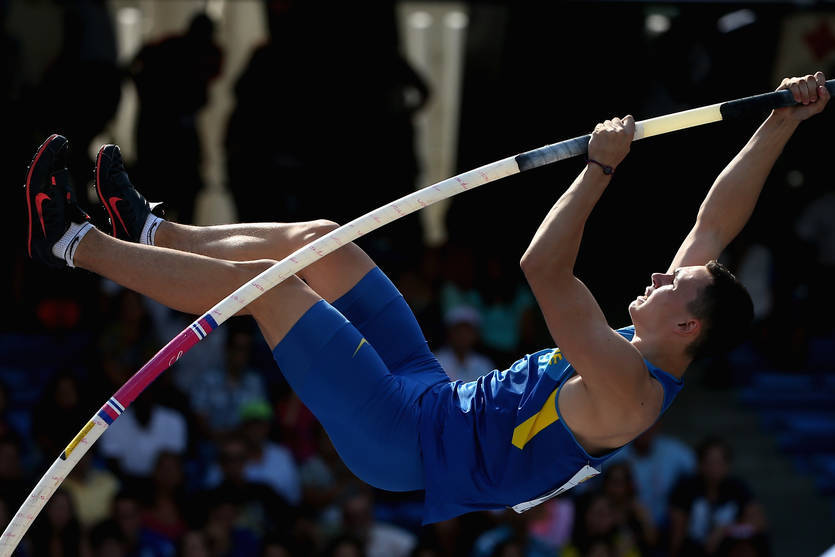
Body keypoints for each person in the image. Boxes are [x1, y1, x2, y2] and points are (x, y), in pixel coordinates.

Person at [22, 73, 829, 524]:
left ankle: (69, 241)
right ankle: (152, 229)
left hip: (402, 441)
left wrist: (598, 168)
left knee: (263, 293)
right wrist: (782, 123)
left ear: (687, 325)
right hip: (432, 390)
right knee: (323, 241)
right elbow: (712, 226)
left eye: (670, 286)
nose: (658, 275)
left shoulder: (628, 389)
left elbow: (542, 266)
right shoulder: (665, 328)